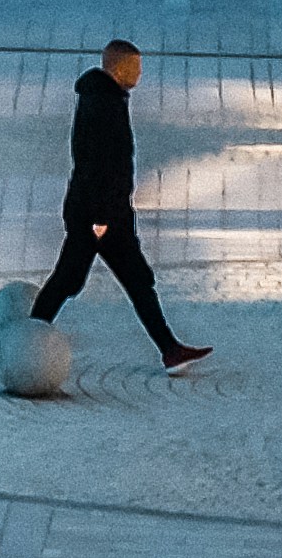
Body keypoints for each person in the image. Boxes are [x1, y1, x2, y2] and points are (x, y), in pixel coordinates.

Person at [28, 37, 208, 370]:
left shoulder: (104, 98)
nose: (140, 73)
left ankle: (170, 349)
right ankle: (27, 338)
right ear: (121, 67)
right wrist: (101, 219)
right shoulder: (104, 105)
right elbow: (98, 163)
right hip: (98, 216)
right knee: (69, 279)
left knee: (135, 279)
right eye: (137, 66)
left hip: (110, 214)